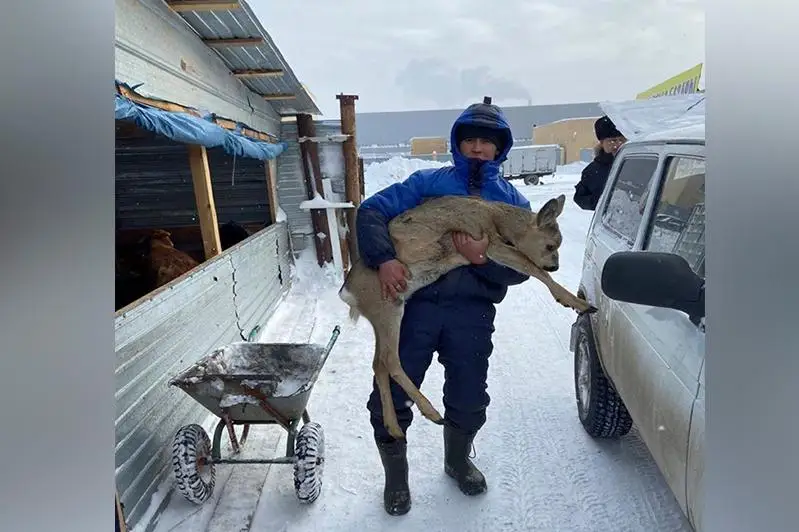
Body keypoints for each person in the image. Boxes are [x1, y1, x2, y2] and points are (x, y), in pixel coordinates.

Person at [355, 97, 531, 516]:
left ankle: (457, 461)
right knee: (392, 394)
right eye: (469, 139)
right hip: (414, 308)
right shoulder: (427, 183)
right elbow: (371, 211)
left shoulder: (513, 204)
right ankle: (396, 478)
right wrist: (384, 259)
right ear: (457, 143)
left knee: (470, 397)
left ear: (500, 148)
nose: (477, 148)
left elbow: (523, 268)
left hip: (472, 314)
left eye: (486, 142)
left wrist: (481, 259)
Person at [573, 115, 626, 210]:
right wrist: (603, 202)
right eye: (612, 141)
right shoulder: (592, 171)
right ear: (602, 143)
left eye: (621, 140)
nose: (618, 145)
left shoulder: (637, 164)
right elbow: (580, 197)